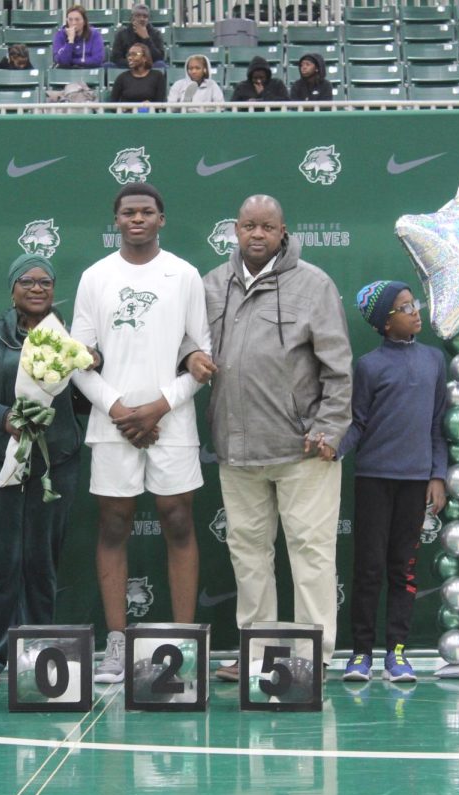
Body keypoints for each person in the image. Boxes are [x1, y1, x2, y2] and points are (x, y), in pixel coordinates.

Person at [184, 195, 352, 682]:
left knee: (312, 551)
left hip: (304, 449)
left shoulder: (314, 284)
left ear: (283, 232)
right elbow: (188, 342)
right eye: (249, 226)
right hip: (237, 450)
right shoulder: (211, 285)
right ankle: (259, 651)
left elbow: (338, 368)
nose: (257, 235)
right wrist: (189, 355)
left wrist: (328, 428)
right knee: (248, 553)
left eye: (268, 227)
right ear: (235, 230)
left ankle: (313, 655)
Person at [68, 183, 211, 684]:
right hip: (113, 425)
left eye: (146, 212)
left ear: (161, 219)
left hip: (171, 421)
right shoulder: (95, 277)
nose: (137, 219)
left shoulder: (185, 274)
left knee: (177, 520)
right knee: (112, 526)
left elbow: (200, 357)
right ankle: (116, 643)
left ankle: (183, 642)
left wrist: (156, 408)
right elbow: (77, 361)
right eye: (128, 212)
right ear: (116, 219)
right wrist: (120, 409)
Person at [0, 255, 85, 685]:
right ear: (11, 290)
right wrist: (2, 418)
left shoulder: (70, 340)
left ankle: (35, 652)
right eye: (26, 281)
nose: (36, 288)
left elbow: (85, 399)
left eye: (45, 281)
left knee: (41, 560)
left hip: (54, 464)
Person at [338, 280, 445, 683]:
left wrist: (438, 474)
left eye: (414, 304)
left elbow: (437, 425)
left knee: (404, 569)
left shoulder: (434, 360)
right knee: (368, 568)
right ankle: (361, 653)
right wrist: (333, 449)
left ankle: (396, 652)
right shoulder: (368, 366)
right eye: (404, 307)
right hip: (372, 480)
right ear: (385, 322)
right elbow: (358, 422)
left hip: (416, 482)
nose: (415, 311)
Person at [110, 3, 165, 68]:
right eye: (138, 16)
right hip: (127, 67)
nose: (142, 19)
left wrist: (146, 38)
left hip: (148, 68)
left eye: (145, 16)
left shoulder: (156, 34)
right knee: (108, 65)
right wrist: (135, 62)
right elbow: (116, 58)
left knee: (160, 64)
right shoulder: (121, 34)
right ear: (132, 17)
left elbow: (159, 57)